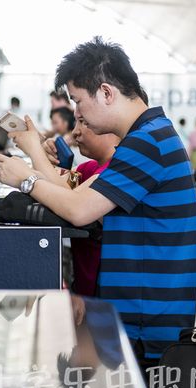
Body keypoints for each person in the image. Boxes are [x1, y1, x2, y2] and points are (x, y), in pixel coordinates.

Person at [0, 37, 196, 376]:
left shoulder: (148, 142)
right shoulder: (146, 137)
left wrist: (26, 180)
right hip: (140, 315)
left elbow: (79, 209)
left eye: (78, 101)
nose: (77, 114)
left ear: (106, 93)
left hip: (146, 323)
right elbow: (77, 197)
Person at [24, 121, 120, 296]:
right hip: (86, 283)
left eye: (83, 122)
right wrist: (41, 152)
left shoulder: (114, 170)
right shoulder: (89, 168)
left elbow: (71, 203)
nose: (75, 132)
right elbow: (54, 185)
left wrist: (33, 149)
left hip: (105, 290)